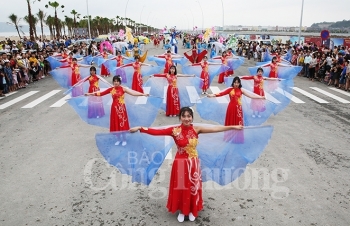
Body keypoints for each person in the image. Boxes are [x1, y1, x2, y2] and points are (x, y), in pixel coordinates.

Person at [129, 106, 243, 223]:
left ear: (192, 118)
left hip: (193, 163)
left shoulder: (197, 129)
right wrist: (140, 128)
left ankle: (193, 209)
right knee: (182, 187)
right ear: (180, 117)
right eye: (184, 116)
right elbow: (156, 131)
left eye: (189, 116)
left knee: (193, 186)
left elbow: (215, 129)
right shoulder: (174, 130)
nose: (186, 119)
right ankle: (182, 211)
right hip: (180, 164)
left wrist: (232, 127)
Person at [85, 75, 149, 146]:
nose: (116, 83)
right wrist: (90, 94)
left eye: (117, 81)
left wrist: (143, 94)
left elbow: (133, 93)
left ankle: (124, 139)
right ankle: (119, 139)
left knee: (122, 124)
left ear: (120, 82)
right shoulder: (111, 89)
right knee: (116, 124)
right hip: (114, 109)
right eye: (114, 81)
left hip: (121, 109)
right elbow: (100, 93)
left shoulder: (123, 89)